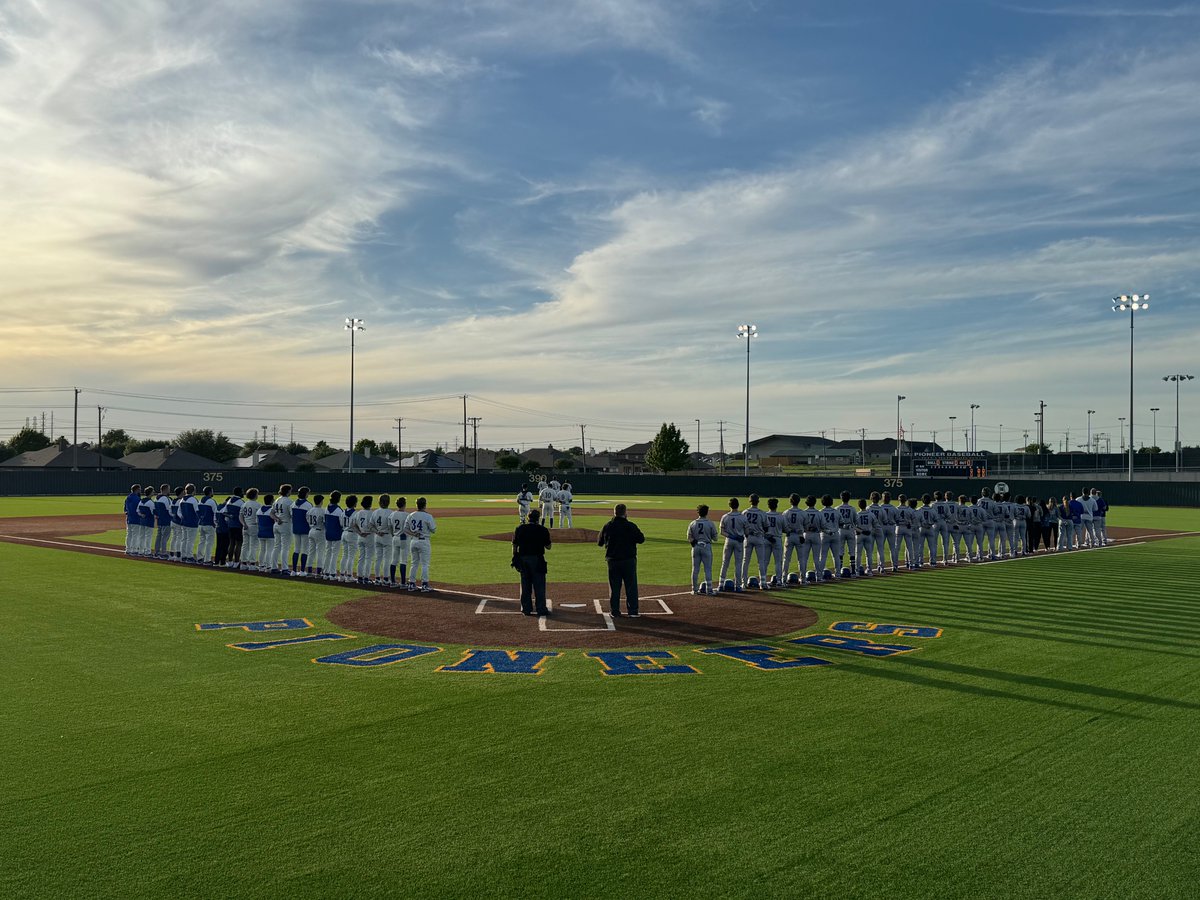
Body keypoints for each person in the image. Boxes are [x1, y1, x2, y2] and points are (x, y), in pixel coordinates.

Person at [597, 503, 645, 617]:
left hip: (613, 561)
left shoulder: (608, 526)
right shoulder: (631, 526)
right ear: (625, 513)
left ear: (614, 513)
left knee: (614, 587)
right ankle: (633, 611)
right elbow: (641, 539)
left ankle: (615, 611)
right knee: (631, 586)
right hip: (629, 560)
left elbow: (599, 542)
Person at [512, 508, 552, 615]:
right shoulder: (542, 529)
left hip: (523, 559)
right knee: (539, 585)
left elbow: (515, 545)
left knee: (525, 585)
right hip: (537, 559)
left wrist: (515, 556)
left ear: (528, 518)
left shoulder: (520, 528)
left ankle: (526, 608)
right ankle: (541, 608)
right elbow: (549, 546)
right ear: (538, 519)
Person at [405, 497, 437, 592]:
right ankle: (425, 584)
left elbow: (405, 529)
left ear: (417, 505)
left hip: (413, 541)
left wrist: (414, 533)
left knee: (414, 563)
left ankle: (411, 583)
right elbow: (433, 530)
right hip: (424, 541)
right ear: (425, 505)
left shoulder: (411, 515)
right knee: (425, 564)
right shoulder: (428, 516)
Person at [687, 504, 718, 594]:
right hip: (706, 546)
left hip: (696, 547)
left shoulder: (693, 523)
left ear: (698, 512)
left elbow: (689, 537)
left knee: (695, 569)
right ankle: (709, 590)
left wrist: (695, 542)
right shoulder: (710, 523)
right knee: (707, 569)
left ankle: (694, 589)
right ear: (707, 512)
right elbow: (715, 538)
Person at [718, 498, 747, 592]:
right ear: (738, 505)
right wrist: (741, 535)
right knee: (738, 564)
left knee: (725, 563)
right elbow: (747, 531)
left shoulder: (725, 516)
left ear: (729, 505)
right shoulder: (743, 517)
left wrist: (731, 536)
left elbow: (722, 531)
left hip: (729, 540)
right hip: (739, 542)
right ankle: (738, 586)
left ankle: (721, 585)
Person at [742, 494, 768, 588]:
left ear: (750, 501)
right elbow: (766, 527)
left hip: (748, 538)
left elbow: (742, 526)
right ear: (758, 501)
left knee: (745, 561)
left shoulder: (745, 512)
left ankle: (743, 583)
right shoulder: (762, 513)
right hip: (759, 537)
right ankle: (763, 583)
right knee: (761, 561)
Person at [290, 486, 312, 575]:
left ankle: (293, 570)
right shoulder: (308, 505)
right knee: (305, 550)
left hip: (295, 528)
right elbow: (309, 518)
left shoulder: (293, 504)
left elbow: (291, 515)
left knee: (296, 549)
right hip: (305, 529)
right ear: (306, 494)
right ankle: (302, 570)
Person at [389, 497, 409, 587]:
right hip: (403, 538)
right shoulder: (407, 515)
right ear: (404, 504)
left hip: (395, 537)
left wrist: (393, 534)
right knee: (403, 561)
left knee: (394, 560)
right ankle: (403, 582)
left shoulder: (392, 514)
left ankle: (393, 581)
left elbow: (390, 527)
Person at [196, 486, 219, 564]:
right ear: (210, 492)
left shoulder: (200, 501)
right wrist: (215, 523)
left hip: (201, 524)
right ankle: (207, 559)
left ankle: (199, 558)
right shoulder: (212, 501)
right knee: (209, 543)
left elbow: (197, 512)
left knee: (201, 541)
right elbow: (216, 513)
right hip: (209, 524)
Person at [304, 494, 325, 576]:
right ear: (321, 501)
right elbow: (325, 522)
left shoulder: (310, 510)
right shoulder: (322, 511)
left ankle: (309, 570)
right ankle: (319, 571)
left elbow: (307, 520)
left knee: (311, 552)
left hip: (311, 531)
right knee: (320, 552)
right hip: (319, 531)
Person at [256, 493, 277, 573]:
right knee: (269, 550)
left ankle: (261, 566)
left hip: (261, 532)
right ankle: (268, 566)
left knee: (262, 550)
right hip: (270, 533)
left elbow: (257, 521)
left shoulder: (259, 510)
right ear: (272, 501)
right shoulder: (271, 511)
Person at [224, 487, 245, 568]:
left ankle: (229, 561)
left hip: (230, 525)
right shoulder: (241, 502)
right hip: (238, 525)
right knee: (239, 543)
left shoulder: (229, 501)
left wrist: (230, 516)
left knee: (231, 543)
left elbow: (224, 513)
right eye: (242, 492)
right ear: (239, 493)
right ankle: (236, 562)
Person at [123, 484, 142, 556]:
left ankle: (128, 549)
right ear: (137, 490)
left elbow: (125, 509)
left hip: (129, 518)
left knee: (129, 534)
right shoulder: (137, 499)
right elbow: (139, 510)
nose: (140, 490)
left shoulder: (128, 498)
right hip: (136, 519)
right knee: (135, 535)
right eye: (139, 489)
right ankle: (134, 550)